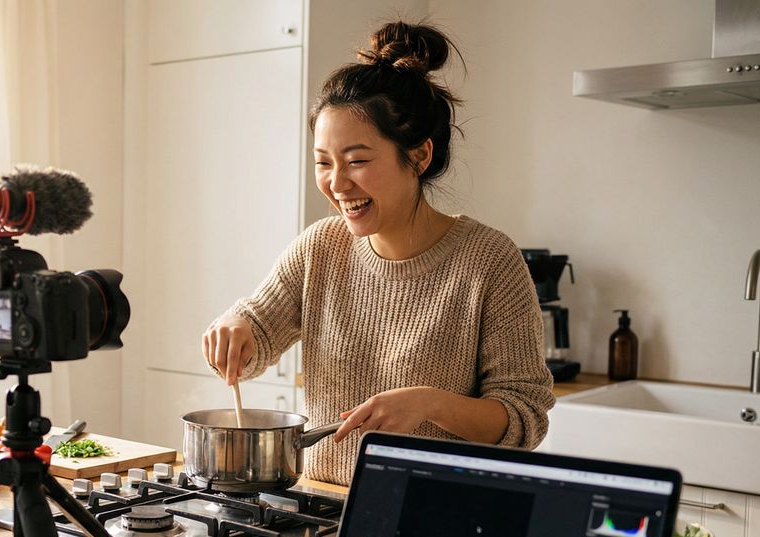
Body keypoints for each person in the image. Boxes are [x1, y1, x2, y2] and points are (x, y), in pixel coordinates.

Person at [202, 21, 554, 486]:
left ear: (419, 156)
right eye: (323, 162)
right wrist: (234, 330)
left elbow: (524, 421)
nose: (337, 183)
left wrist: (430, 403)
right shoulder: (320, 248)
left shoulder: (488, 261)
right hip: (323, 509)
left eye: (358, 161)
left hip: (432, 520)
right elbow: (257, 332)